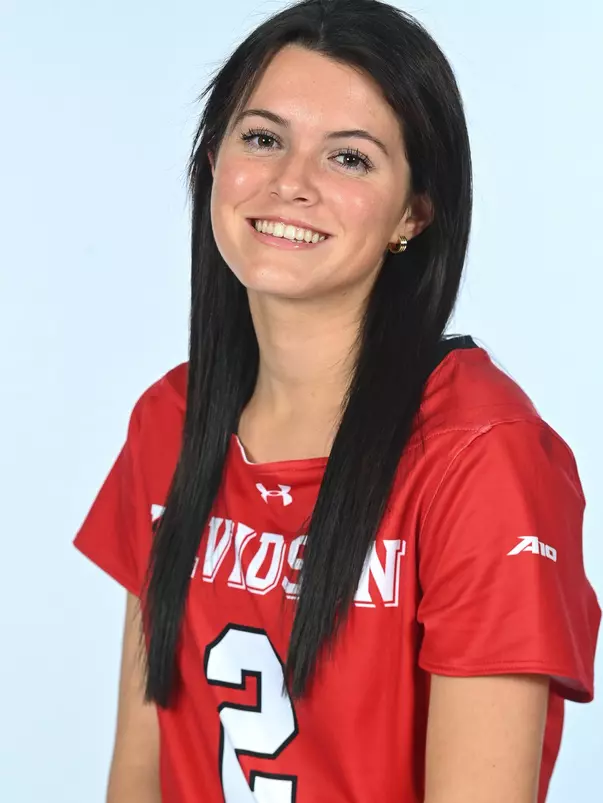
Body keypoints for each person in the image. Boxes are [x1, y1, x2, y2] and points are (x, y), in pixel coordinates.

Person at [73, 1, 601, 801]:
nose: (291, 182)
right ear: (212, 158)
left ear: (413, 213)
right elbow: (138, 771)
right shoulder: (169, 421)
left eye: (348, 159)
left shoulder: (479, 450)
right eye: (262, 138)